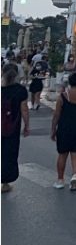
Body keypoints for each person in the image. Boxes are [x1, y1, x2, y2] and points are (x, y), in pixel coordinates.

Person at [50, 71, 76, 191]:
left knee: (62, 154)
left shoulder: (63, 96)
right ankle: (74, 175)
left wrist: (53, 129)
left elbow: (56, 115)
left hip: (64, 128)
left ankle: (60, 180)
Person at [1, 63, 30, 193]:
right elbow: (24, 109)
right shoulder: (20, 90)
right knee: (9, 153)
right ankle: (5, 183)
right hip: (12, 128)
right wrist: (27, 125)